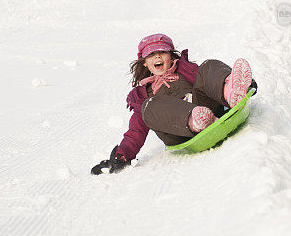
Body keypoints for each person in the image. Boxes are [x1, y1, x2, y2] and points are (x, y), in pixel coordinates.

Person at [91, 33, 255, 174]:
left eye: (162, 52)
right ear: (145, 63)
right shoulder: (143, 96)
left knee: (208, 66)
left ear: (171, 56)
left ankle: (231, 90)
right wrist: (122, 155)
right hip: (179, 132)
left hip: (208, 110)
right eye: (151, 55)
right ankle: (194, 120)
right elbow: (136, 131)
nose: (157, 57)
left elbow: (209, 81)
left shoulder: (185, 70)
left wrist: (230, 83)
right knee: (149, 106)